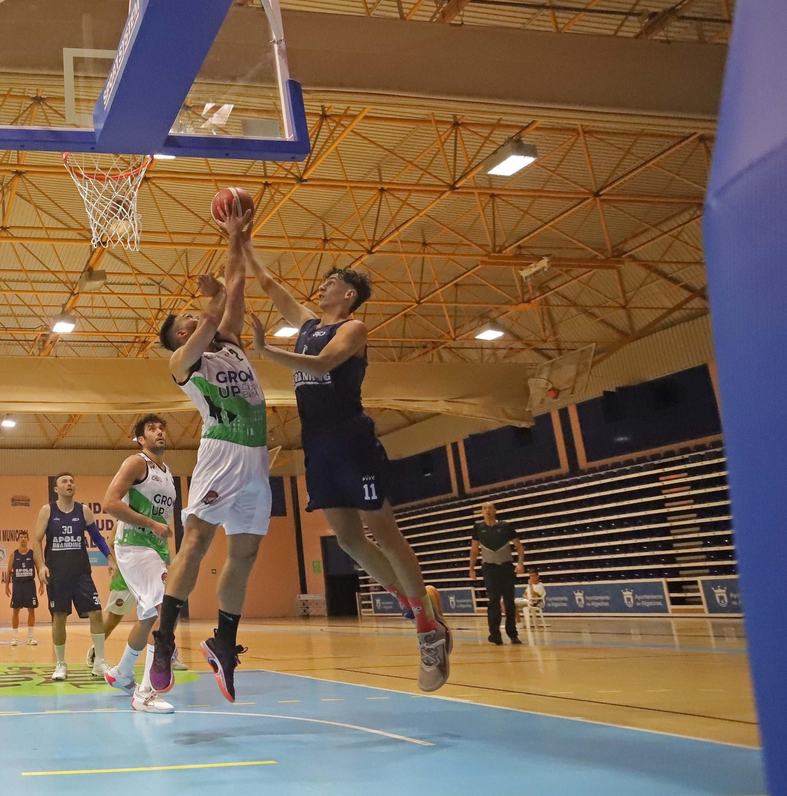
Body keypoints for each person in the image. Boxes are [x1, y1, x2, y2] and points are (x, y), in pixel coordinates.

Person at [239, 207, 451, 692]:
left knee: (383, 530)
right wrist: (242, 239)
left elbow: (324, 365)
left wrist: (265, 350)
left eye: (329, 283)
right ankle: (415, 601)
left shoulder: (352, 330)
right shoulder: (310, 323)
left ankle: (427, 628)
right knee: (350, 540)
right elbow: (270, 284)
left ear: (348, 294)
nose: (320, 288)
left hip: (352, 438)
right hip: (318, 444)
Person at [146, 206, 269, 703]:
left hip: (257, 457)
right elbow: (219, 304)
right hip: (221, 454)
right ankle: (162, 641)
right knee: (194, 543)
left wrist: (236, 237)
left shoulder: (231, 342)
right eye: (188, 320)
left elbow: (235, 286)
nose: (197, 318)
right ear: (179, 334)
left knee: (245, 553)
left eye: (197, 315)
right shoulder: (183, 361)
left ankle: (224, 641)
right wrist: (212, 297)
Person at [101, 414, 179, 713]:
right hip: (134, 546)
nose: (159, 431)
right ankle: (144, 694)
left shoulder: (167, 471)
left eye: (162, 427)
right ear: (141, 439)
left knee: (148, 618)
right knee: (166, 611)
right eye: (151, 429)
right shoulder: (136, 463)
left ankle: (122, 672)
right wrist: (150, 524)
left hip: (155, 549)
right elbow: (110, 503)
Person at [32, 473, 111, 681]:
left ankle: (100, 662)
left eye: (72, 481)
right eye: (64, 481)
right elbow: (36, 541)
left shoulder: (83, 511)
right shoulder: (47, 511)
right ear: (56, 489)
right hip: (57, 574)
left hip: (81, 572)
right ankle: (60, 664)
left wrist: (110, 559)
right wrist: (40, 566)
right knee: (59, 617)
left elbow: (97, 538)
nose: (70, 484)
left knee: (96, 612)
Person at [470, 503, 524, 645]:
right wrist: (471, 568)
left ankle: (512, 634)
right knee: (493, 600)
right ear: (482, 511)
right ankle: (495, 634)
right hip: (489, 569)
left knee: (509, 600)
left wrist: (520, 563)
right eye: (484, 508)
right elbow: (475, 550)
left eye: (490, 507)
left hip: (506, 567)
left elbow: (519, 546)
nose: (487, 510)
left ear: (495, 510)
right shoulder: (478, 528)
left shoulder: (505, 526)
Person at [6, 532, 39, 647]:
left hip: (30, 584)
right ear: (18, 539)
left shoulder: (32, 554)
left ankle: (30, 638)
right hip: (18, 585)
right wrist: (7, 586)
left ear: (28, 539)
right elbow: (9, 571)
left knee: (32, 609)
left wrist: (42, 584)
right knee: (15, 610)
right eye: (21, 537)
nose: (23, 539)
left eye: (25, 537)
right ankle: (15, 638)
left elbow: (39, 569)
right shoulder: (13, 555)